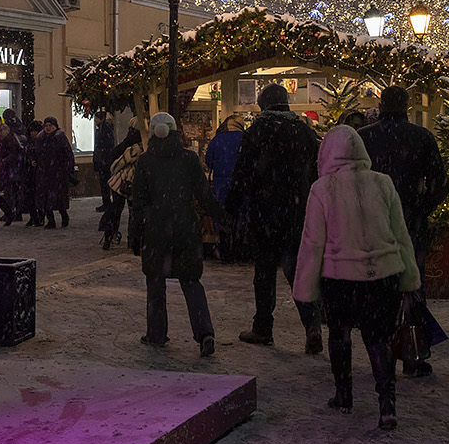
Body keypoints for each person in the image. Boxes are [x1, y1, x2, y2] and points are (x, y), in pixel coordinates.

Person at [293, 126, 420, 430]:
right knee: (379, 339)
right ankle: (387, 403)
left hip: (341, 277)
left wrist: (305, 287)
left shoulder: (323, 189)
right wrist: (409, 276)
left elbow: (313, 243)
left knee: (340, 334)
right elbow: (400, 234)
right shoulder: (383, 183)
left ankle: (344, 394)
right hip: (384, 275)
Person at [357, 86, 449, 377]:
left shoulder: (364, 137)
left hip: (372, 223)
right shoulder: (421, 137)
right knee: (411, 286)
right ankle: (412, 351)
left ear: (381, 105)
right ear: (407, 107)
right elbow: (440, 182)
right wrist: (421, 208)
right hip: (410, 222)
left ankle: (379, 347)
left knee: (374, 286)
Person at [225, 83, 323, 352]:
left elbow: (243, 173)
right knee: (297, 272)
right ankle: (312, 324)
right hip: (297, 213)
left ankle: (263, 327)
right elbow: (316, 172)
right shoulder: (303, 131)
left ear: (263, 104)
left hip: (265, 213)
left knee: (265, 273)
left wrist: (231, 207)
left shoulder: (258, 130)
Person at [130, 112, 220, 358]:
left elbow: (137, 202)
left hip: (155, 231)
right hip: (185, 230)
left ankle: (156, 334)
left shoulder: (146, 161)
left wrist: (134, 233)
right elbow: (203, 193)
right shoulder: (188, 159)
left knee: (155, 284)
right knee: (191, 282)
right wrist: (220, 215)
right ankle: (205, 334)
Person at [204, 115, 245, 260]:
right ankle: (239, 251)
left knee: (222, 215)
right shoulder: (245, 139)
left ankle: (225, 251)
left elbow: (208, 161)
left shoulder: (217, 140)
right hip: (241, 183)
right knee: (240, 214)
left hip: (220, 183)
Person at [103, 119, 146, 250]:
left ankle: (109, 236)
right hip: (136, 185)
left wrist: (114, 169)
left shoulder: (134, 147)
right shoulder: (145, 146)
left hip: (123, 183)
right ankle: (132, 240)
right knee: (133, 213)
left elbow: (118, 163)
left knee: (116, 211)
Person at [34, 117, 75, 229]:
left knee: (59, 198)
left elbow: (68, 154)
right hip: (44, 173)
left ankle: (64, 217)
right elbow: (36, 153)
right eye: (46, 126)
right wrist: (35, 161)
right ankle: (50, 220)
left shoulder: (60, 138)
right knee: (46, 199)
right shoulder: (40, 139)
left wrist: (67, 168)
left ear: (55, 126)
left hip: (58, 173)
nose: (48, 128)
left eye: (50, 126)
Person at [92, 111, 116, 216]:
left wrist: (104, 158)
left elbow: (107, 145)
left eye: (96, 118)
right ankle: (106, 202)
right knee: (104, 182)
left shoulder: (104, 130)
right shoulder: (102, 129)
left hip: (104, 160)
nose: (95, 120)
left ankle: (107, 202)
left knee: (105, 182)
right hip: (102, 159)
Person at [24, 120, 44, 226]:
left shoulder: (41, 142)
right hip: (29, 173)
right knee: (29, 196)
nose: (33, 133)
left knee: (38, 197)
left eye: (35, 131)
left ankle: (40, 217)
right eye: (31, 131)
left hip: (39, 173)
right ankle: (33, 217)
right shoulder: (29, 142)